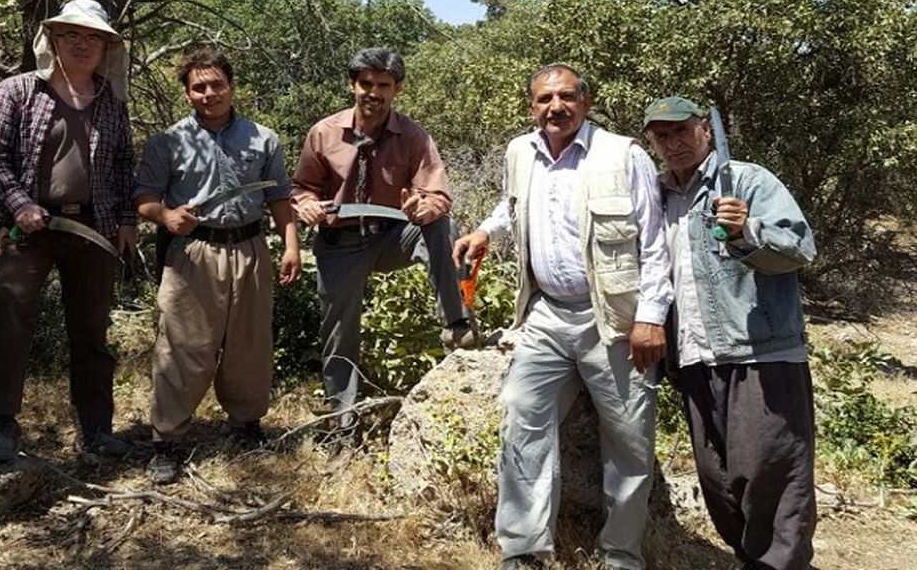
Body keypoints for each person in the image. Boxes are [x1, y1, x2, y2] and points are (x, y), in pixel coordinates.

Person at [452, 63, 673, 570]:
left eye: (567, 97)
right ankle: (526, 550)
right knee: (521, 421)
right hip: (545, 316)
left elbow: (655, 245)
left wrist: (651, 318)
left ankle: (621, 554)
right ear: (532, 107)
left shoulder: (624, 155)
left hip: (614, 321)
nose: (556, 107)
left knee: (629, 441)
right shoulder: (519, 151)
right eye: (544, 100)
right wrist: (487, 230)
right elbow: (514, 206)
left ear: (586, 101)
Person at [642, 96, 817, 570]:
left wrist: (747, 231)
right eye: (662, 136)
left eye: (681, 131)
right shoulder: (657, 195)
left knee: (770, 479)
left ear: (703, 129)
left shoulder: (747, 180)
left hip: (758, 354)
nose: (673, 143)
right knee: (719, 483)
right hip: (694, 357)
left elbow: (800, 247)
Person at [0, 0, 138, 463]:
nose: (83, 44)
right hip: (31, 228)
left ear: (106, 46)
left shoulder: (110, 100)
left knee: (91, 331)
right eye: (73, 35)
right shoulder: (19, 90)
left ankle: (96, 428)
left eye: (93, 38)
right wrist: (20, 204)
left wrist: (126, 220)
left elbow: (124, 163)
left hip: (94, 229)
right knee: (11, 321)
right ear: (54, 39)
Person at [134, 49, 300, 484]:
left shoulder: (263, 138)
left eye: (217, 84)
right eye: (199, 87)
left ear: (231, 85)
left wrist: (290, 245)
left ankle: (246, 424)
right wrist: (166, 216)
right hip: (193, 253)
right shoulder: (166, 142)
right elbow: (145, 200)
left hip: (250, 248)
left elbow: (279, 196)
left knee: (250, 342)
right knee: (182, 346)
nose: (210, 93)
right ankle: (166, 439)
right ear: (188, 93)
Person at [292, 47, 476, 438]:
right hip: (339, 241)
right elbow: (303, 188)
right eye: (366, 84)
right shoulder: (323, 133)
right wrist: (307, 206)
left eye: (383, 85)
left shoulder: (413, 136)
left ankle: (456, 322)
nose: (373, 93)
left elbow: (438, 195)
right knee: (339, 334)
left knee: (442, 225)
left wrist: (424, 207)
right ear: (352, 85)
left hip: (393, 236)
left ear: (397, 89)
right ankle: (344, 426)